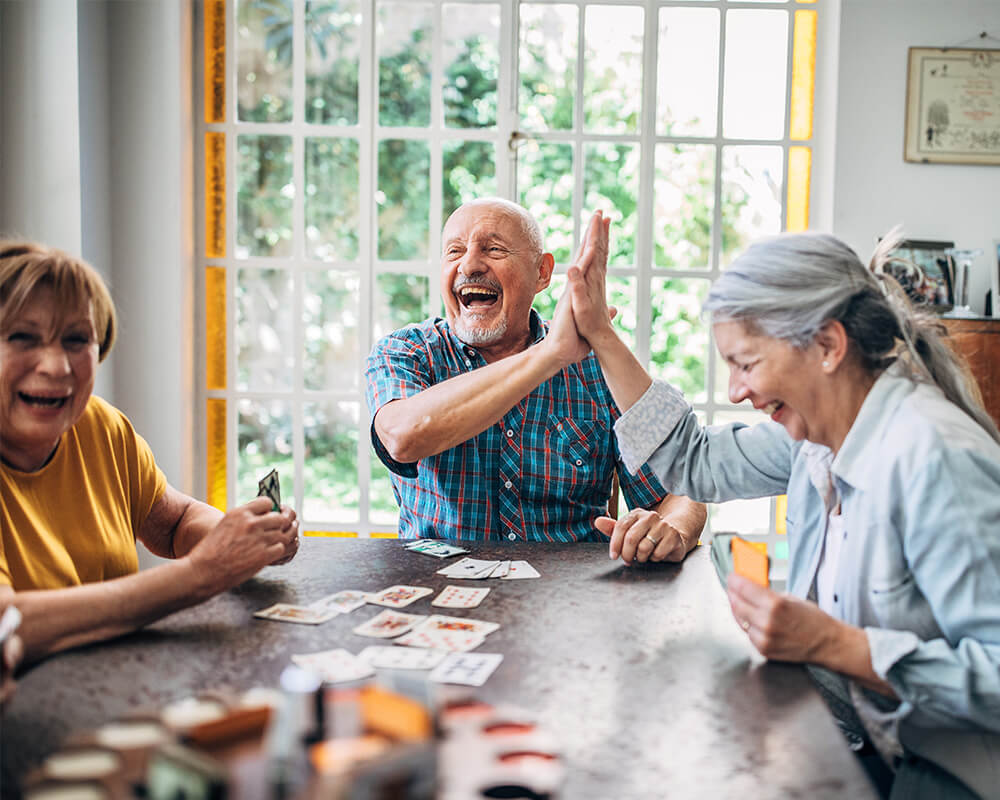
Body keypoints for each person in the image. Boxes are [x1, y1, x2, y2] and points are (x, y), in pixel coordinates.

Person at [563, 218, 1000, 799]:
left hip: (951, 772)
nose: (737, 390)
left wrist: (832, 645)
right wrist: (599, 333)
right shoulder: (814, 435)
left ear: (827, 346)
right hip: (861, 739)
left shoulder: (934, 457)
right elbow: (694, 460)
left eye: (747, 363)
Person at [0, 241, 300, 666]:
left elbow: (175, 523)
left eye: (76, 339)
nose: (57, 366)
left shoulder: (99, 425)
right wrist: (201, 574)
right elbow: (9, 626)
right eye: (22, 338)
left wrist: (239, 542)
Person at [365, 199, 705, 559]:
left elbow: (680, 491)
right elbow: (403, 437)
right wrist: (549, 355)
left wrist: (672, 531)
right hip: (435, 592)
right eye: (454, 251)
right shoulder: (406, 352)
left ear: (542, 273)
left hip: (569, 598)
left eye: (493, 249)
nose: (469, 264)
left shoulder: (599, 368)